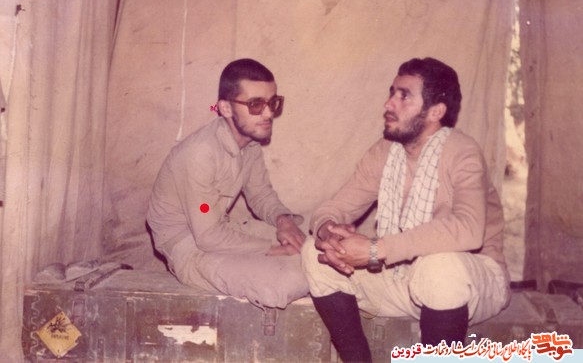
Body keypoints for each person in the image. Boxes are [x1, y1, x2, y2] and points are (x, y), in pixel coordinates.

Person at [301, 57, 510, 362]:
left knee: (439, 266)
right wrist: (327, 231)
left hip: (470, 283)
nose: (389, 103)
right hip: (401, 279)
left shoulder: (462, 152)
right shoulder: (385, 151)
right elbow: (335, 207)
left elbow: (469, 229)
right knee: (313, 252)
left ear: (435, 112)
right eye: (392, 93)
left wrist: (377, 249)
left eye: (404, 96)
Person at [147, 58, 309, 309]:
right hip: (190, 246)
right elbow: (208, 235)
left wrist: (282, 221)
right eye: (256, 104)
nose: (268, 114)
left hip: (218, 228)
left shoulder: (250, 143)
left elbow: (261, 195)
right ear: (225, 108)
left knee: (315, 246)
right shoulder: (200, 154)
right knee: (288, 280)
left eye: (273, 102)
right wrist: (274, 249)